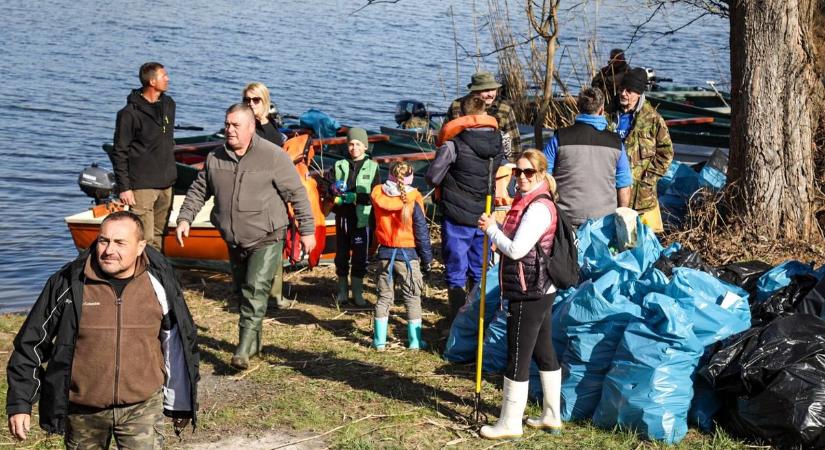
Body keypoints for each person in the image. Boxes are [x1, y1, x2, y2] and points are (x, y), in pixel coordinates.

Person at [6, 211, 199, 448]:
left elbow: (176, 343)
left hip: (142, 407)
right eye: (103, 240)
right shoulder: (70, 282)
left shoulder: (158, 283)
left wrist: (181, 401)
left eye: (120, 242)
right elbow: (31, 343)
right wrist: (20, 403)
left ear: (140, 247)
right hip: (83, 410)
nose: (109, 250)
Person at [176, 104, 316, 370]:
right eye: (227, 124)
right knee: (242, 292)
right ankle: (255, 343)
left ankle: (242, 350)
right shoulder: (216, 157)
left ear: (251, 127)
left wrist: (307, 231)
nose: (229, 130)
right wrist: (185, 218)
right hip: (233, 237)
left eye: (236, 125)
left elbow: (297, 194)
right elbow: (199, 189)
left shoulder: (273, 156)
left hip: (267, 235)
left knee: (255, 289)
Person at [476, 150, 562, 439]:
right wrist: (498, 228)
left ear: (540, 174)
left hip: (529, 291)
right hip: (541, 288)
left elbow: (515, 249)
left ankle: (509, 424)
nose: (521, 177)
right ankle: (552, 415)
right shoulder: (528, 201)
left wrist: (491, 231)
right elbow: (517, 240)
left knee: (517, 355)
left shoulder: (538, 207)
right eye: (517, 172)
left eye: (528, 172)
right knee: (543, 351)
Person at [426, 96, 504, 328]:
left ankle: (457, 321)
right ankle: (477, 320)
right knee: (480, 266)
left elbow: (432, 177)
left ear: (462, 116)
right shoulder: (498, 142)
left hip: (457, 214)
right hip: (484, 213)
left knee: (456, 268)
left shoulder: (453, 145)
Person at [111, 62, 177, 251]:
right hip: (142, 186)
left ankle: (157, 274)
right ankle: (141, 276)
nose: (168, 79)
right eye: (164, 76)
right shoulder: (128, 114)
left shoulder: (169, 104)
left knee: (160, 235)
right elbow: (120, 151)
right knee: (144, 238)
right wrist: (124, 187)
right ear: (151, 81)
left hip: (166, 183)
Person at [543, 87, 632, 227]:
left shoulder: (559, 138)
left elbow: (543, 175)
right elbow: (624, 185)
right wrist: (622, 218)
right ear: (602, 109)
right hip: (604, 221)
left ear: (578, 108)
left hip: (565, 218)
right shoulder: (616, 142)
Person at [370, 162, 433, 350]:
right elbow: (421, 233)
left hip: (385, 254)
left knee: (383, 297)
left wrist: (369, 252)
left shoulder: (378, 194)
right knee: (412, 297)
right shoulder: (413, 198)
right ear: (410, 178)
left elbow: (372, 225)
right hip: (408, 255)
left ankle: (379, 341)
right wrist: (427, 260)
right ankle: (414, 342)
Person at [609, 67, 674, 232]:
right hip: (609, 187)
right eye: (622, 89)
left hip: (641, 194)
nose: (623, 93)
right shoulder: (607, 114)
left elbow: (666, 153)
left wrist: (648, 180)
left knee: (642, 237)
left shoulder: (652, 119)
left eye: (629, 91)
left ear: (638, 93)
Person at [243, 82, 290, 309]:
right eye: (247, 101)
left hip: (269, 196)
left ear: (265, 101)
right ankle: (250, 291)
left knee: (274, 245)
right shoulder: (242, 128)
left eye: (256, 100)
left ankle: (277, 295)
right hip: (245, 194)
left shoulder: (272, 133)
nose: (251, 105)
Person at [330, 128, 381, 307]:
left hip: (362, 219)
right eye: (351, 144)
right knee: (341, 254)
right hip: (343, 217)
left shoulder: (373, 167)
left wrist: (356, 197)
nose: (354, 148)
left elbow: (375, 195)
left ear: (365, 146)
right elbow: (329, 185)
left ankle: (358, 292)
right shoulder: (339, 165)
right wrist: (333, 190)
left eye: (358, 144)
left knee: (360, 256)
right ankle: (343, 291)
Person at [446, 70, 520, 161]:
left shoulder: (505, 108)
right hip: (461, 158)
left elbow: (514, 145)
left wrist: (512, 165)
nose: (490, 94)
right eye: (485, 90)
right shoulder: (457, 105)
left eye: (493, 89)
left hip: (493, 160)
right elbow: (446, 135)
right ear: (474, 91)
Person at [242, 82, 286, 146]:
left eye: (256, 99)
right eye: (247, 99)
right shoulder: (242, 124)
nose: (251, 103)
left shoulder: (272, 126)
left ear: (265, 101)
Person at [591, 48, 630, 113]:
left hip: (617, 100)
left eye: (616, 59)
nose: (613, 61)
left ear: (621, 59)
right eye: (612, 58)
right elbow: (594, 81)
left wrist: (602, 80)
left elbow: (612, 80)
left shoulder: (626, 71)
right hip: (604, 98)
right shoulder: (607, 69)